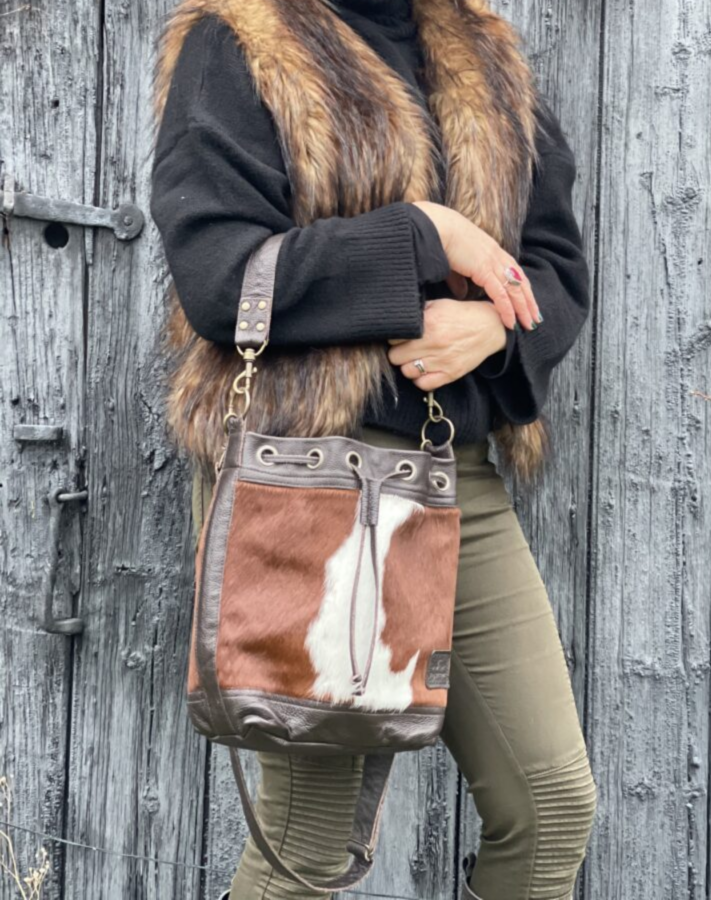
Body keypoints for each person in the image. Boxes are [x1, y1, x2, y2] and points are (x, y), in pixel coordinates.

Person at [150, 0, 597, 897]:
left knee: (549, 808)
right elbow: (223, 278)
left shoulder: (484, 55)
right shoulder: (243, 39)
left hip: (453, 478)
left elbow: (554, 266)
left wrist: (495, 331)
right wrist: (422, 235)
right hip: (303, 476)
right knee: (308, 838)